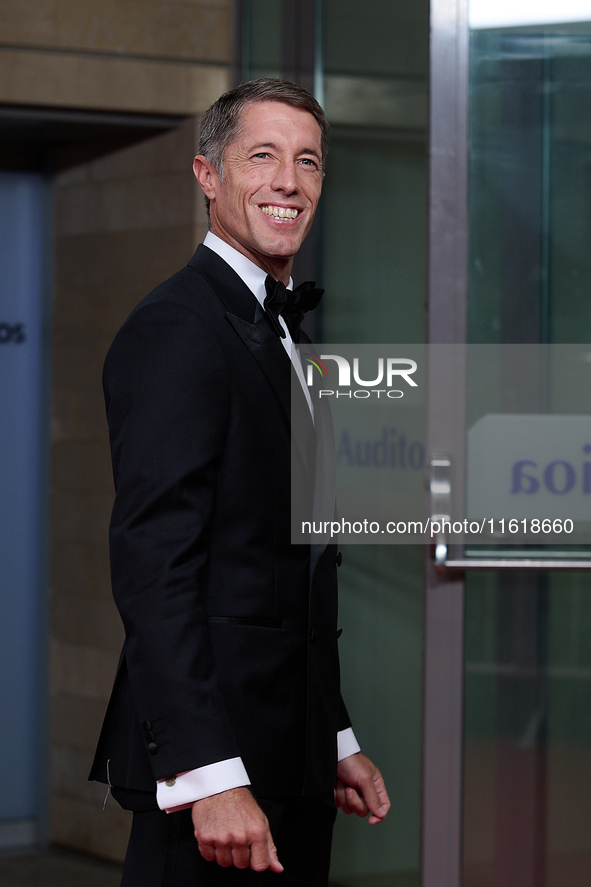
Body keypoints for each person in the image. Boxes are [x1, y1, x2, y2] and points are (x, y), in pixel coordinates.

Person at [90, 78, 389, 887]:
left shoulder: (284, 330)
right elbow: (156, 566)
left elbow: (288, 571)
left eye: (307, 162)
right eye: (262, 156)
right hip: (217, 770)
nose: (288, 181)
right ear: (206, 175)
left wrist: (334, 737)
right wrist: (212, 775)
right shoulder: (176, 327)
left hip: (289, 754)